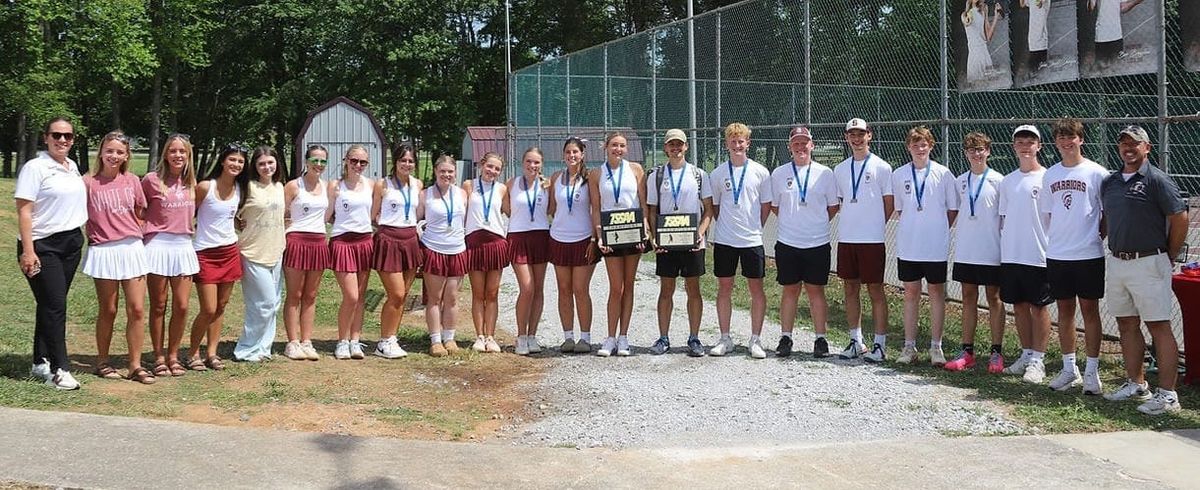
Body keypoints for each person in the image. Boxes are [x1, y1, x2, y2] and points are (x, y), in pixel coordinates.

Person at [1101, 125, 1188, 415]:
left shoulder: (1157, 180)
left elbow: (1179, 217)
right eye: (1123, 143)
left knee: (1158, 326)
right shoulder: (1110, 181)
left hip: (1149, 262)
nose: (1128, 148)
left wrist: (1168, 255)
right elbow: (1107, 218)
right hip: (1117, 261)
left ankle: (1168, 395)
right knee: (1126, 323)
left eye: (1135, 143)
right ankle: (1136, 384)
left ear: (1147, 148)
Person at [1039, 118, 1109, 393]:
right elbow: (1048, 214)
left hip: (1088, 254)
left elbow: (1106, 214)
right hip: (1058, 253)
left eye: (1072, 137)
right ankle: (1070, 369)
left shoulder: (1097, 173)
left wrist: (1094, 237)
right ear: (1055, 142)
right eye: (1061, 138)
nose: (1067, 142)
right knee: (1065, 311)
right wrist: (1059, 240)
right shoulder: (1050, 174)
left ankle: (1092, 371)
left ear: (1081, 139)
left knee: (1090, 311)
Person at [17, 117, 88, 389]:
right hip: (42, 245)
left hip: (70, 243)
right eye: (56, 135)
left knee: (49, 304)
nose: (62, 140)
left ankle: (40, 361)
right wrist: (28, 251)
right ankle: (60, 370)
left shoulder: (72, 166)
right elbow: (24, 211)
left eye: (68, 136)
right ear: (45, 137)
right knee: (55, 306)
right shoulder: (35, 168)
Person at [82, 130, 152, 384]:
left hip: (131, 249)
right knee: (108, 309)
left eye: (119, 152)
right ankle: (102, 361)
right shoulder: (87, 182)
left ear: (126, 156)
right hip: (103, 250)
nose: (114, 156)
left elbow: (141, 211)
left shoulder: (132, 180)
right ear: (101, 152)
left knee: (137, 309)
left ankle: (135, 365)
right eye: (109, 150)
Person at [891, 127, 960, 365]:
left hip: (934, 247)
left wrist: (937, 228)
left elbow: (952, 210)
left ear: (931, 146)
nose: (919, 149)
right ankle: (909, 347)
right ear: (908, 147)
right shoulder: (899, 174)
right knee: (910, 293)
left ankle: (936, 347)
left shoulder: (943, 174)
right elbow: (900, 210)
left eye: (924, 145)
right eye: (915, 145)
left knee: (936, 293)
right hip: (909, 244)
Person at [769, 127, 839, 358]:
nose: (801, 147)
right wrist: (794, 222)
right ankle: (786, 337)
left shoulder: (825, 173)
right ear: (790, 147)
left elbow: (832, 207)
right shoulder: (779, 173)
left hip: (817, 242)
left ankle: (820, 339)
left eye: (804, 143)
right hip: (788, 242)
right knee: (790, 290)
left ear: (812, 145)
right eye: (796, 143)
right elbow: (775, 206)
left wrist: (815, 222)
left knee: (815, 290)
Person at [646, 129, 713, 357]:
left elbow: (708, 210)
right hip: (667, 242)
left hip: (692, 243)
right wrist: (655, 237)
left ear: (686, 146)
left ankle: (694, 338)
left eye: (679, 144)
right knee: (666, 290)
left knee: (693, 289)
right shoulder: (656, 175)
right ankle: (663, 338)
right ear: (665, 148)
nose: (675, 148)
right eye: (671, 144)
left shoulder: (699, 174)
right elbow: (652, 210)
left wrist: (700, 234)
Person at [708, 123, 773, 359]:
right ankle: (725, 338)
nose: (737, 145)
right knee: (724, 287)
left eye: (741, 141)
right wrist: (728, 226)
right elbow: (715, 207)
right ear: (727, 144)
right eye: (733, 141)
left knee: (756, 289)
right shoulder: (717, 174)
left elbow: (766, 206)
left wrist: (754, 227)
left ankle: (755, 339)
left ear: (748, 143)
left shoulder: (760, 172)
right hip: (725, 240)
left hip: (751, 240)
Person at [833, 118, 894, 362]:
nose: (857, 139)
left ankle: (880, 344)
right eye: (852, 135)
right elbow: (841, 202)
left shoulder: (882, 167)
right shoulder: (840, 169)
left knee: (875, 289)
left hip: (872, 239)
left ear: (869, 135)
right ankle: (856, 341)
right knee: (850, 288)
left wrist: (875, 224)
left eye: (861, 134)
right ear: (846, 137)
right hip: (847, 237)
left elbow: (889, 204)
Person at [944, 132, 1006, 373]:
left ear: (988, 151)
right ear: (966, 153)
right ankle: (967, 351)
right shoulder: (960, 181)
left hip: (991, 249)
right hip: (966, 251)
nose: (976, 154)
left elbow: (1004, 218)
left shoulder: (999, 181)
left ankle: (996, 352)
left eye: (980, 149)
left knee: (994, 299)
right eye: (971, 150)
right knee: (968, 298)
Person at [998, 124, 1054, 384]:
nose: (1025, 146)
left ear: (1039, 146)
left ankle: (1038, 360)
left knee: (1039, 307)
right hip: (1012, 254)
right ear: (1014, 147)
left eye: (1030, 141)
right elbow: (1004, 219)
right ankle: (1026, 353)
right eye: (1020, 142)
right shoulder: (1007, 181)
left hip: (1039, 254)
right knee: (1019, 306)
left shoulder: (1048, 177)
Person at [143, 134, 199, 376]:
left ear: (188, 155)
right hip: (157, 245)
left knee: (182, 305)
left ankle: (173, 355)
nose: (178, 155)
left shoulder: (192, 182)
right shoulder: (151, 180)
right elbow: (138, 209)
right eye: (173, 151)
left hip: (183, 245)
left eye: (182, 151)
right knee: (159, 305)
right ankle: (158, 356)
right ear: (165, 154)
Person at [187, 144, 246, 371]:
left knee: (221, 306)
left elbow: (231, 215)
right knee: (208, 308)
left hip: (229, 252)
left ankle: (212, 353)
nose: (236, 164)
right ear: (222, 161)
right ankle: (193, 353)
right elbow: (188, 213)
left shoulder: (240, 188)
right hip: (205, 253)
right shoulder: (205, 187)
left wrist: (240, 223)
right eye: (232, 159)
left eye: (240, 161)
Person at [589, 132, 647, 357]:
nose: (618, 149)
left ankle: (624, 337)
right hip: (610, 234)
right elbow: (596, 208)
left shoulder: (636, 169)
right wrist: (599, 236)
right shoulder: (596, 174)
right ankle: (610, 337)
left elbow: (643, 204)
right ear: (606, 147)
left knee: (629, 285)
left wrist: (644, 231)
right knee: (616, 288)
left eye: (622, 145)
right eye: (614, 145)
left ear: (627, 148)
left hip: (632, 232)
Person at [232, 146, 286, 363]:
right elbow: (229, 211)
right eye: (261, 163)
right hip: (252, 252)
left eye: (270, 162)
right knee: (263, 304)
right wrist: (237, 223)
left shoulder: (279, 187)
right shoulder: (247, 188)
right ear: (254, 166)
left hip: (276, 251)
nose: (266, 167)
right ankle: (246, 348)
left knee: (274, 304)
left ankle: (263, 347)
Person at [371, 144, 423, 359]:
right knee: (396, 294)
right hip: (389, 240)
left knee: (403, 296)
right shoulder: (382, 184)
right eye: (403, 160)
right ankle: (383, 342)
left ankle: (392, 338)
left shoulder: (417, 184)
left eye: (410, 161)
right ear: (395, 161)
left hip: (410, 240)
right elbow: (373, 215)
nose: (407, 164)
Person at [549, 137, 598, 354]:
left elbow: (596, 209)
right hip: (559, 239)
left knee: (580, 289)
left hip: (583, 239)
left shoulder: (590, 178)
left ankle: (585, 338)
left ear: (582, 154)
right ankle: (568, 337)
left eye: (575, 152)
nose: (571, 155)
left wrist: (594, 239)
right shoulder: (555, 178)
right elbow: (551, 208)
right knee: (563, 289)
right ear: (563, 155)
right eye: (568, 152)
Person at [281, 145, 330, 361]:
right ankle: (292, 342)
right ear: (306, 161)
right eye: (314, 160)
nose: (318, 165)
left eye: (323, 161)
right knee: (295, 294)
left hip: (318, 242)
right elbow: (280, 214)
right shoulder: (293, 186)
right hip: (296, 241)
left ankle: (307, 341)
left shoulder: (327, 187)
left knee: (310, 295)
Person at [327, 145, 375, 360]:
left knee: (361, 296)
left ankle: (355, 340)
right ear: (345, 160)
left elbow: (374, 214)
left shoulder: (371, 185)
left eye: (363, 162)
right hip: (342, 242)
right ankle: (342, 341)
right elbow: (327, 214)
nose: (358, 165)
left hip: (364, 241)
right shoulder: (335, 185)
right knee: (351, 296)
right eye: (354, 160)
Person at [420, 155, 468, 357]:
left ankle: (449, 338)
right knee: (435, 298)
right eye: (442, 171)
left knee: (452, 298)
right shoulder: (425, 194)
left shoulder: (463, 194)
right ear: (435, 171)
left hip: (457, 250)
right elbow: (415, 218)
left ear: (455, 173)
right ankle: (435, 340)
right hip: (434, 249)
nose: (446, 175)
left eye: (450, 171)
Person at [506, 147, 552, 356]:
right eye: (529, 162)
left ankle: (532, 335)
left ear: (541, 164)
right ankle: (521, 336)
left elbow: (552, 209)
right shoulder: (512, 184)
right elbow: (506, 208)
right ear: (522, 163)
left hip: (540, 236)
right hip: (519, 237)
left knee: (538, 289)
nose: (532, 166)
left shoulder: (547, 185)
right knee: (527, 288)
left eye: (536, 162)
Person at [465, 152, 510, 353]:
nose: (492, 171)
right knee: (478, 293)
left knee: (492, 293)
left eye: (497, 169)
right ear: (482, 165)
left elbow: (512, 211)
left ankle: (490, 336)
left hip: (495, 242)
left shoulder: (502, 189)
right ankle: (479, 336)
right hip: (474, 242)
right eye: (490, 166)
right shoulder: (469, 185)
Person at [963, 0, 1003, 80]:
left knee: (989, 83)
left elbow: (988, 37)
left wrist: (996, 16)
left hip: (984, 53)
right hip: (974, 55)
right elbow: (967, 22)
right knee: (977, 82)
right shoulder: (965, 15)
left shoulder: (983, 11)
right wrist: (969, 17)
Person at [1021, 0, 1050, 70]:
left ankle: (1042, 60)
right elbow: (1022, 4)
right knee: (1033, 34)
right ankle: (1039, 61)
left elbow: (1040, 3)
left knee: (1040, 30)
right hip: (1033, 40)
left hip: (1041, 6)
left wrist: (1041, 1)